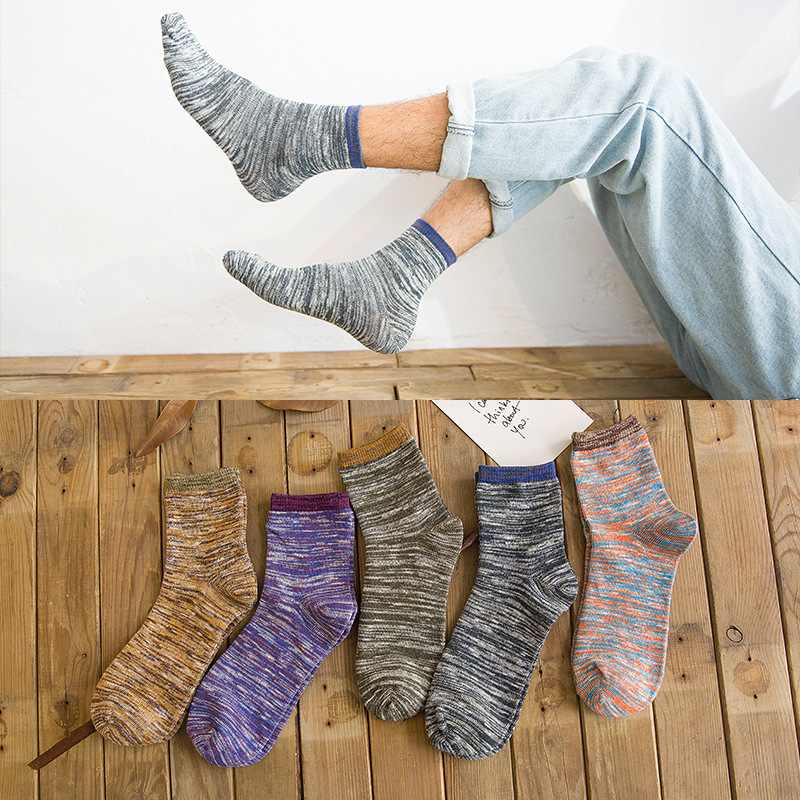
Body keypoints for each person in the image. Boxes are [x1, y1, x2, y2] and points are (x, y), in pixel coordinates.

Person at [160, 13, 800, 399]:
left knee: (645, 102)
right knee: (595, 86)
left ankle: (297, 139)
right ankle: (397, 276)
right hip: (734, 351)